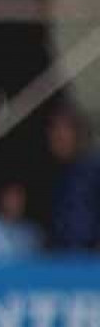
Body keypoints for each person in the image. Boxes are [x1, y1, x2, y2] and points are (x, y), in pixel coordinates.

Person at [46, 104, 100, 251]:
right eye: (53, 134)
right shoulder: (59, 176)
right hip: (66, 263)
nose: (56, 139)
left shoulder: (94, 168)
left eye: (62, 134)